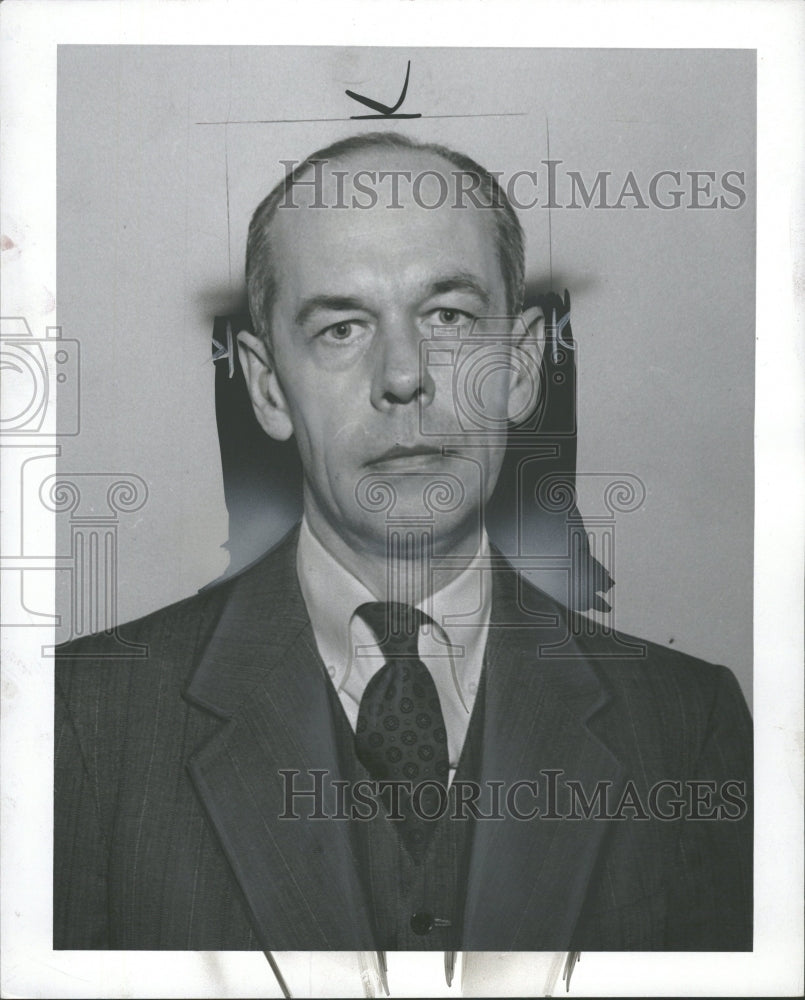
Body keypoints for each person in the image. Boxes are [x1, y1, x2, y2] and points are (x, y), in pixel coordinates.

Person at [54, 132, 752, 953]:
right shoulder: (80, 723)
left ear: (522, 365)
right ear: (268, 385)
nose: (402, 374)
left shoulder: (685, 724)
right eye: (342, 328)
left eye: (447, 317)